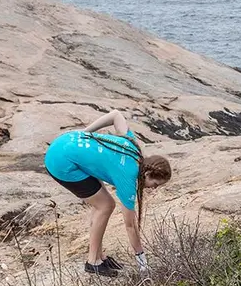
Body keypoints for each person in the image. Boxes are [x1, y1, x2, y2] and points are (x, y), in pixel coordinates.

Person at [43, 110, 172, 277]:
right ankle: (93, 262)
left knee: (105, 204)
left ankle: (99, 256)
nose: (154, 188)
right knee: (104, 206)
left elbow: (116, 115)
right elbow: (131, 226)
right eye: (155, 184)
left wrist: (86, 132)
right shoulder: (129, 177)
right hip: (60, 162)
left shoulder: (134, 147)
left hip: (66, 141)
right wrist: (142, 263)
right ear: (147, 174)